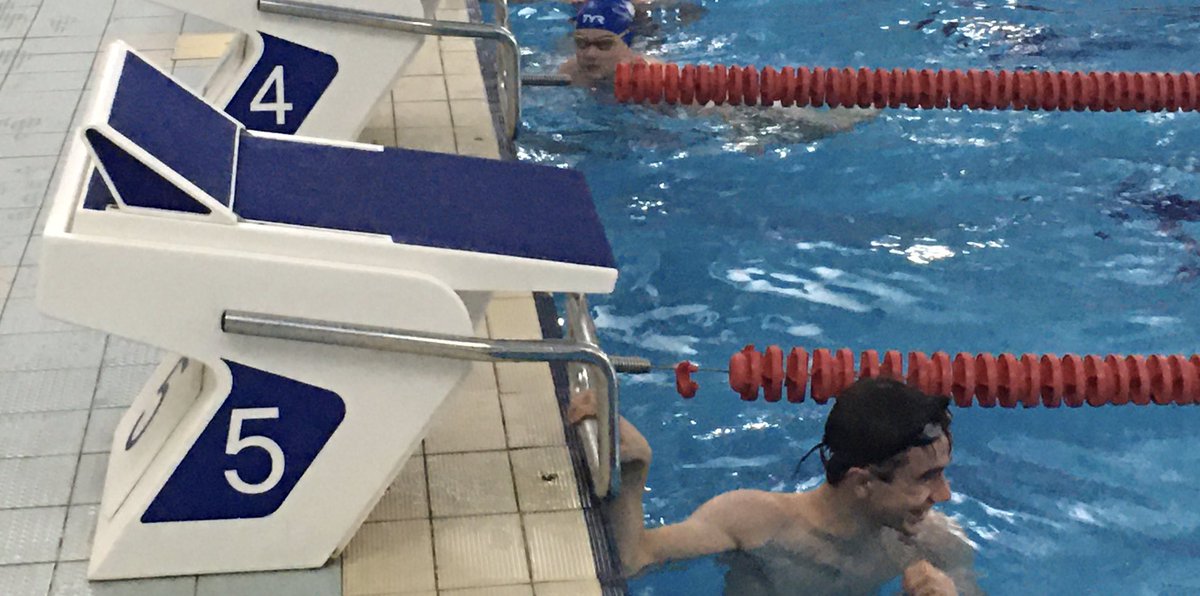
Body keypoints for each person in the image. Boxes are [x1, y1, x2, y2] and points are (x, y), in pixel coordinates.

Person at [568, 376, 982, 595]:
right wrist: (634, 476)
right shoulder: (755, 522)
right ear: (862, 483)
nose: (944, 494)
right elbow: (632, 561)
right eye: (926, 478)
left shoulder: (934, 544)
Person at [560, 0, 649, 88]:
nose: (590, 54)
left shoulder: (649, 76)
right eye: (582, 43)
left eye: (604, 44)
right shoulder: (570, 74)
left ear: (627, 46)